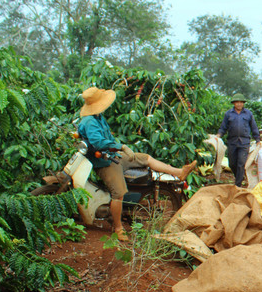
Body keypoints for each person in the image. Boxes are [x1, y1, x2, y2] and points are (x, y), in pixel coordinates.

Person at [78, 87, 197, 241]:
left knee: (145, 158)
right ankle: (119, 228)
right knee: (119, 194)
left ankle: (178, 172)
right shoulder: (89, 121)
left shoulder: (98, 117)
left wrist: (120, 149)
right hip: (104, 161)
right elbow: (98, 142)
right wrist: (121, 147)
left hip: (112, 155)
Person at [216, 93, 261, 188]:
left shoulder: (248, 114)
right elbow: (223, 128)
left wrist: (257, 139)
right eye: (237, 102)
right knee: (232, 164)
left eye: (241, 102)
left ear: (243, 103)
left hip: (244, 142)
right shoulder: (228, 114)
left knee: (241, 163)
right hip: (232, 142)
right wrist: (218, 136)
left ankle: (238, 185)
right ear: (234, 103)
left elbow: (254, 127)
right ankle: (239, 177)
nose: (239, 104)